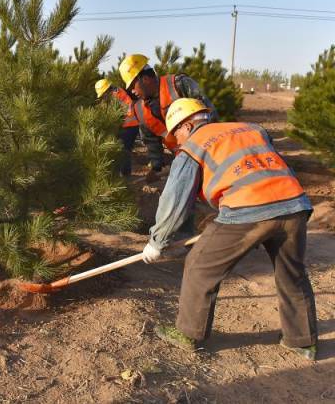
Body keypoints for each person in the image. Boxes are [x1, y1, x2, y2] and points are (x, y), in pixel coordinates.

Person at [142, 98, 318, 360]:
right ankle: (301, 341)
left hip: (247, 209)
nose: (175, 142)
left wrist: (157, 241)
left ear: (188, 125)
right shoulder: (250, 128)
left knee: (200, 265)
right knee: (291, 272)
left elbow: (174, 199)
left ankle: (189, 334)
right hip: (294, 204)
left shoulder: (193, 146)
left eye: (176, 134)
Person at [119, 54, 218, 183]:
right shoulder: (139, 110)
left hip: (209, 152)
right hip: (183, 159)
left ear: (145, 78)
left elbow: (210, 114)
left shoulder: (178, 85)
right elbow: (151, 141)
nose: (132, 91)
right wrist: (156, 168)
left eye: (133, 85)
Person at [94, 78, 140, 176]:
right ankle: (122, 174)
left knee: (124, 151)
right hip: (130, 125)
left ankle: (124, 176)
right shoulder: (117, 91)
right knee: (124, 150)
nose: (102, 97)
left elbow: (115, 115)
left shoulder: (115, 97)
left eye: (103, 95)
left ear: (106, 90)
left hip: (128, 126)